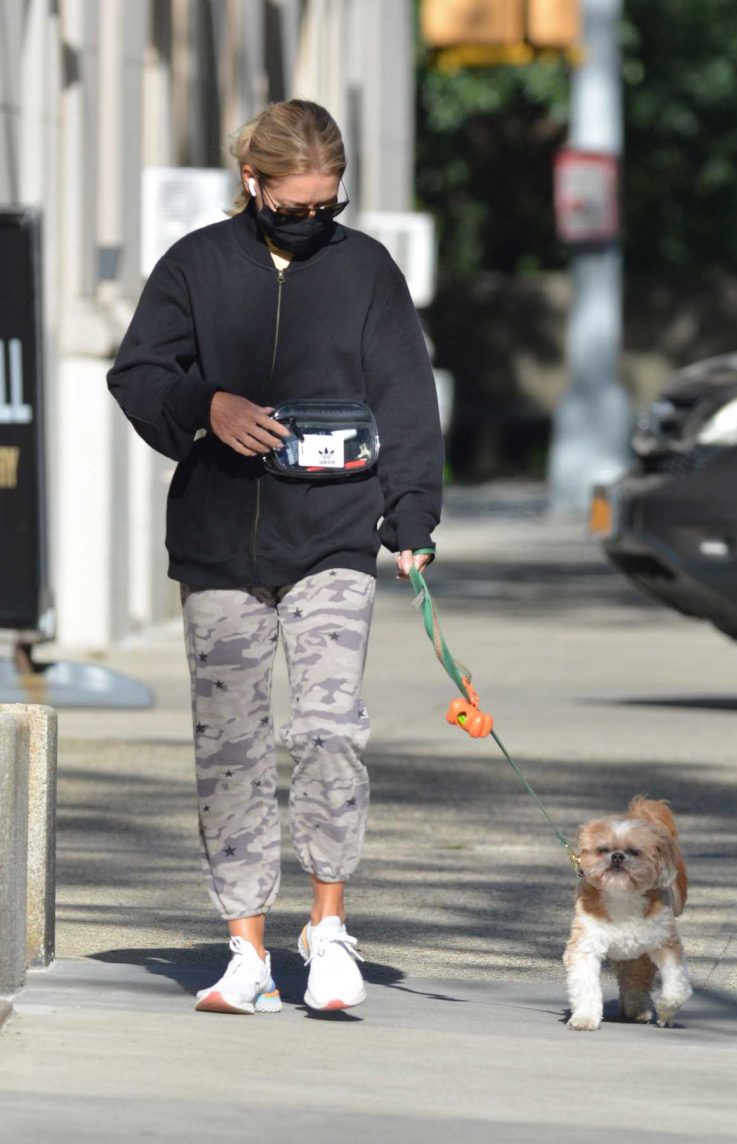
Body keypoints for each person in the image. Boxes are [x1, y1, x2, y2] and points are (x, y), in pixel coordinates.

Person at [107, 99, 443, 1014]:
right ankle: (246, 945)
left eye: (327, 204)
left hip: (334, 536)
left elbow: (406, 396)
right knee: (232, 752)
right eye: (293, 205)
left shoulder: (365, 269)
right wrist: (205, 407)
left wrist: (411, 518)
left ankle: (328, 928)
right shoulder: (195, 266)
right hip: (219, 545)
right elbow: (137, 373)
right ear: (250, 183)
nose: (312, 220)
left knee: (330, 730)